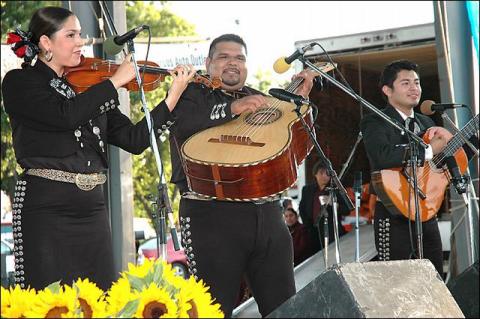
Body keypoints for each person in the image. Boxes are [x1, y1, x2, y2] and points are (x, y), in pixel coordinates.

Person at [1, 6, 196, 291]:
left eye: (80, 34)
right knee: (50, 299)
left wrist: (171, 98)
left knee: (101, 295)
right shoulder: (20, 82)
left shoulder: (91, 88)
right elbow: (65, 115)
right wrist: (116, 80)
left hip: (92, 207)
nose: (81, 41)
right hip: (46, 207)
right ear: (46, 43)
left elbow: (134, 139)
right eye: (71, 35)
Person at [169, 34, 315, 316]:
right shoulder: (189, 93)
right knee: (212, 309)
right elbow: (183, 123)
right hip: (210, 214)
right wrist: (230, 108)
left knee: (285, 307)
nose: (232, 63)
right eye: (224, 57)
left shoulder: (257, 98)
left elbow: (287, 142)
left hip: (267, 213)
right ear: (208, 62)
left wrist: (297, 101)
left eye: (239, 58)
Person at [359, 60, 453, 276]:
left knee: (434, 278)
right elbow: (382, 156)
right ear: (387, 90)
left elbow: (439, 163)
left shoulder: (426, 122)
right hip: (392, 211)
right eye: (406, 83)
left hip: (425, 210)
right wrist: (428, 150)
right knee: (395, 282)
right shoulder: (375, 121)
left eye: (417, 83)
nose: (414, 88)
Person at [299, 161, 350, 255]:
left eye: (327, 173)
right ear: (315, 174)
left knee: (331, 256)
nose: (324, 176)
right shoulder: (307, 189)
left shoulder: (336, 189)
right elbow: (302, 209)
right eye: (321, 173)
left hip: (331, 232)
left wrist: (333, 202)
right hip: (312, 231)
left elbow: (347, 209)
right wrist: (307, 225)